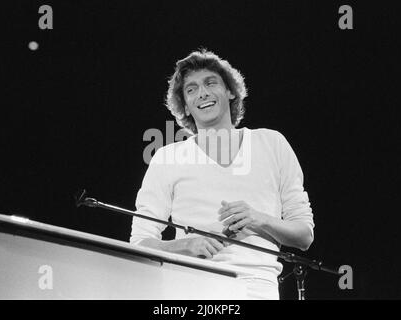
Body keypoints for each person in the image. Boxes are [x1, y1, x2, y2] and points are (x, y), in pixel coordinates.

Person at [130, 49, 314, 299]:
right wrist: (184, 245)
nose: (202, 93)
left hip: (258, 289)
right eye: (191, 89)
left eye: (210, 82)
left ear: (230, 91)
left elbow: (304, 235)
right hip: (190, 289)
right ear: (185, 105)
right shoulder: (167, 157)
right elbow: (140, 242)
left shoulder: (272, 143)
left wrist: (259, 219)